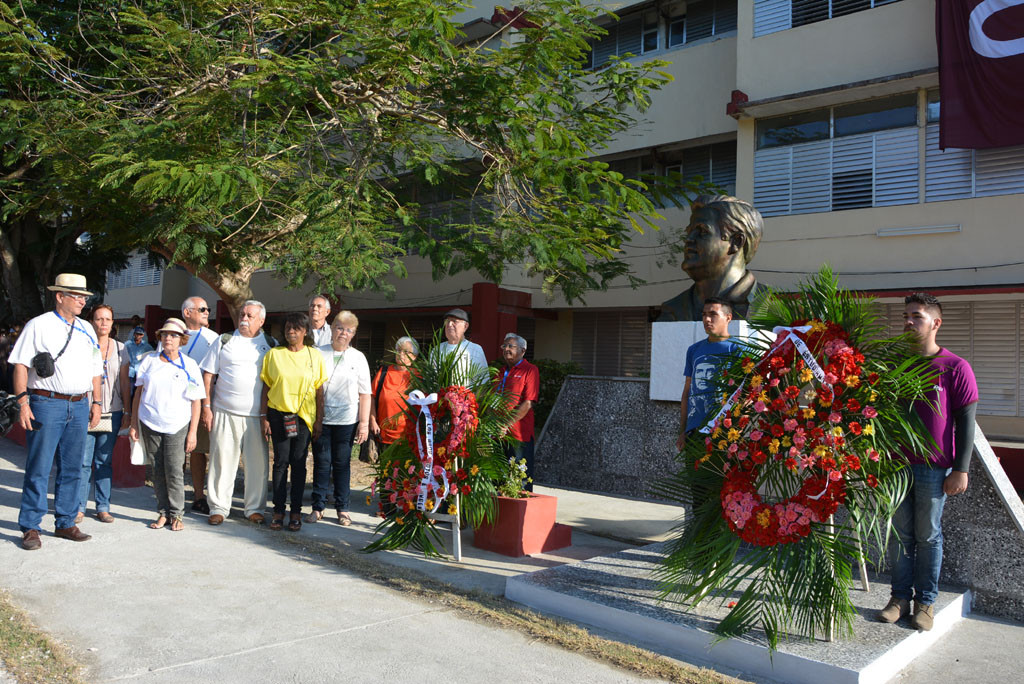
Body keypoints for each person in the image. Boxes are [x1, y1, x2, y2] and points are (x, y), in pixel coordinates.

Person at [877, 293, 978, 631]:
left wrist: (961, 468)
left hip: (933, 468)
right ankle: (899, 598)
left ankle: (926, 603)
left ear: (936, 323)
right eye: (906, 315)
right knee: (899, 535)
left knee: (928, 535)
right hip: (895, 466)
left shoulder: (955, 367)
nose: (908, 321)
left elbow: (966, 421)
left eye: (916, 316)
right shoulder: (895, 365)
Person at [10, 274, 102, 550]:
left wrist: (97, 402)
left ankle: (65, 522)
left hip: (79, 403)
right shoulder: (39, 325)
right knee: (39, 466)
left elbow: (96, 369)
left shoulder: (87, 328)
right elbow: (20, 365)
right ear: (59, 296)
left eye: (85, 296)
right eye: (77, 295)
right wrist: (23, 403)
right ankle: (30, 526)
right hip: (46, 403)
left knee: (73, 467)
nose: (83, 300)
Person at [201, 301, 276, 525]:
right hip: (224, 411)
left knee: (257, 465)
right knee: (221, 461)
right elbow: (208, 375)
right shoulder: (224, 341)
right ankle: (218, 507)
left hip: (257, 416)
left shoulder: (271, 344)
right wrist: (206, 407)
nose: (244, 318)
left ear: (261, 321)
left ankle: (254, 508)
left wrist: (268, 415)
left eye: (250, 315)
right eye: (242, 314)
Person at [130, 318, 206, 531]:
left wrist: (193, 432)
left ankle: (177, 514)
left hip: (177, 425)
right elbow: (138, 393)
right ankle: (163, 512)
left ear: (182, 340)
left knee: (174, 469)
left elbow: (196, 401)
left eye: (173, 335)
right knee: (157, 470)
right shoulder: (149, 361)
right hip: (150, 422)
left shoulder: (189, 365)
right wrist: (135, 423)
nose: (168, 338)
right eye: (164, 335)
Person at [260, 312, 327, 532]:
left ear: (305, 332)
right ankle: (278, 510)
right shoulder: (274, 355)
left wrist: (319, 420)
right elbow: (266, 387)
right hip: (278, 415)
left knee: (299, 463)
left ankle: (296, 511)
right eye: (288, 328)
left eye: (296, 328)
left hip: (303, 418)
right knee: (280, 463)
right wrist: (264, 417)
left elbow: (319, 391)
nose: (291, 332)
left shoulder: (314, 356)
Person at [306, 311, 370, 526]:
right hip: (321, 419)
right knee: (322, 463)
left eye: (349, 330)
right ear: (332, 329)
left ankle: (343, 509)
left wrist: (364, 423)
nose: (343, 333)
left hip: (347, 420)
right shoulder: (317, 353)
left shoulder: (358, 357)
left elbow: (365, 393)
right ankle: (318, 507)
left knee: (342, 464)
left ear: (353, 334)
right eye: (340, 328)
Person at [658, 195, 765, 322]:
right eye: (689, 232)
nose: (688, 239)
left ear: (736, 242)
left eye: (702, 231)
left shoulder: (769, 305)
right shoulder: (672, 310)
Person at [78, 305, 131, 524]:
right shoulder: (83, 346)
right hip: (85, 410)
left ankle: (103, 506)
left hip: (113, 411)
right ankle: (78, 507)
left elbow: (125, 381)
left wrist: (127, 411)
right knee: (82, 461)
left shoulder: (121, 349)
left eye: (107, 319)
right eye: (99, 319)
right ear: (92, 322)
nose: (103, 323)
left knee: (103, 461)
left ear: (113, 323)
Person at [676, 298, 738, 451]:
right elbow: (687, 391)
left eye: (713, 314)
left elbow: (745, 393)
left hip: (723, 433)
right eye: (704, 314)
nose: (706, 319)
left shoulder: (738, 349)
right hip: (694, 432)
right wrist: (682, 430)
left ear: (728, 318)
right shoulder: (694, 350)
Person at [178, 296, 219, 514]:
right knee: (174, 450)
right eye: (202, 309)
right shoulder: (172, 334)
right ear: (187, 313)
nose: (207, 312)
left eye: (207, 308)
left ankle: (199, 495)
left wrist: (207, 406)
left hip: (201, 402)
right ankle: (173, 494)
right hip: (174, 403)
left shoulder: (214, 339)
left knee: (198, 450)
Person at [495, 333, 540, 491]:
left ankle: (522, 515)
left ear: (522, 350)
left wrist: (506, 424)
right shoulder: (500, 372)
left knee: (520, 481)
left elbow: (528, 403)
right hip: (498, 435)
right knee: (499, 480)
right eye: (504, 346)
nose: (506, 349)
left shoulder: (530, 370)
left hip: (518, 436)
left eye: (511, 346)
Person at [369, 336, 419, 455]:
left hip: (409, 436)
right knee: (385, 471)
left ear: (414, 357)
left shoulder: (419, 376)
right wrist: (372, 420)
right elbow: (371, 397)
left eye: (406, 351)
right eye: (398, 350)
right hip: (383, 435)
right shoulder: (384, 372)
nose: (401, 354)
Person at [433, 308, 488, 387]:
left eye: (454, 321)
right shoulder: (437, 350)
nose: (449, 324)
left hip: (467, 397)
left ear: (465, 326)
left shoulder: (475, 349)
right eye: (447, 321)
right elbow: (431, 381)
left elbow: (483, 383)